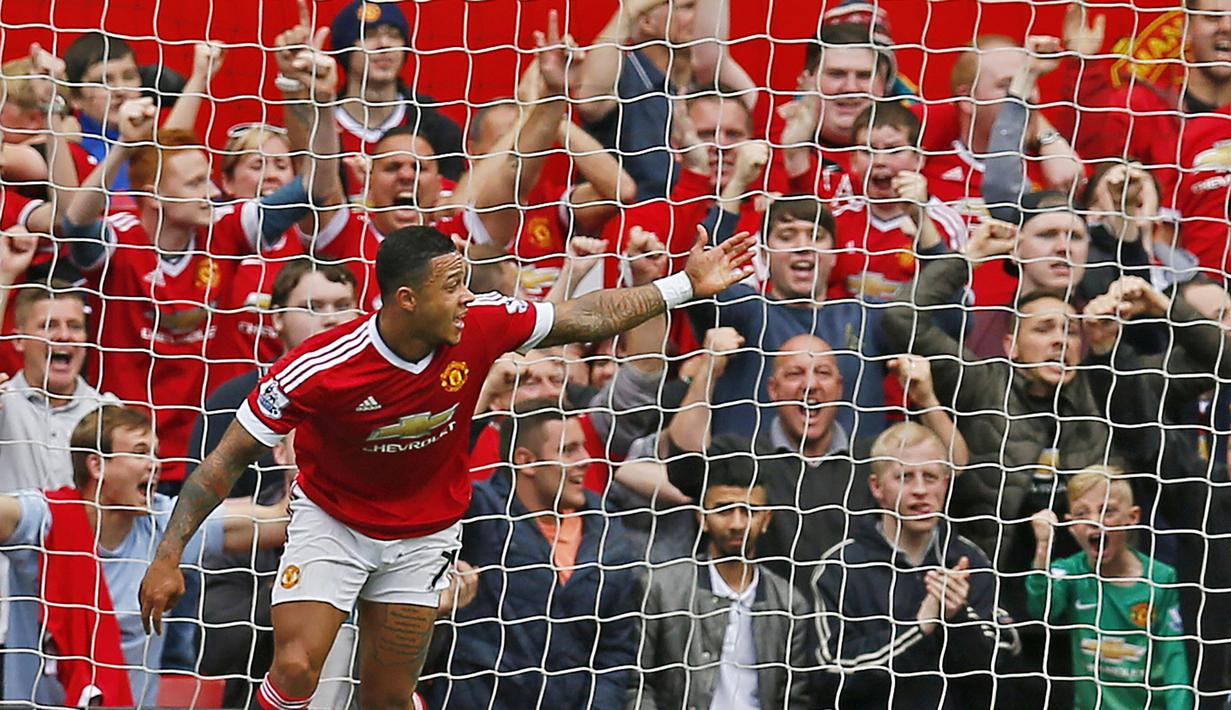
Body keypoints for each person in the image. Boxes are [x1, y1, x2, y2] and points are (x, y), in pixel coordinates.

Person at [136, 85, 757, 706]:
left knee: (388, 694)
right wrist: (168, 558)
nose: (467, 298)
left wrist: (683, 285)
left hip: (425, 532)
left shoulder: (483, 322)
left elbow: (586, 317)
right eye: (451, 288)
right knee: (297, 665)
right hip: (333, 522)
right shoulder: (321, 367)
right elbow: (222, 463)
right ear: (405, 300)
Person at [59, 31, 343, 485]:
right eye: (193, 184)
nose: (211, 191)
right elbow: (73, 225)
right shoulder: (120, 241)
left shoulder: (222, 232)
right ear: (153, 195)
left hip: (203, 455)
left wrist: (323, 102)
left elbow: (317, 186)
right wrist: (124, 150)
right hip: (124, 458)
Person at [0, 405, 287, 707]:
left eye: (156, 453)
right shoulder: (43, 520)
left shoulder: (167, 527)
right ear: (97, 466)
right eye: (140, 452)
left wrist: (299, 447)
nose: (155, 464)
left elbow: (277, 523)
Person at [188, 260, 358, 707]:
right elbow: (214, 648)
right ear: (277, 319)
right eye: (314, 305)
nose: (331, 316)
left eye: (344, 305)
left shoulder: (385, 397)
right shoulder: (233, 401)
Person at [424, 402, 640, 707]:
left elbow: (615, 651)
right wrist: (483, 399)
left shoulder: (609, 535)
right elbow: (438, 475)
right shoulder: (483, 515)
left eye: (583, 447)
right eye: (568, 450)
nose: (585, 460)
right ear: (526, 461)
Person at [813, 421, 1020, 709]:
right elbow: (829, 673)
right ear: (877, 487)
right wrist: (919, 628)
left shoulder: (970, 560)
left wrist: (957, 617)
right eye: (905, 477)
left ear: (946, 484)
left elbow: (1003, 665)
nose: (920, 490)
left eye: (931, 477)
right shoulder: (840, 567)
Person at [631, 454, 814, 709]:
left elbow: (794, 698)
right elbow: (637, 685)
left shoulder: (789, 604)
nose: (737, 523)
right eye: (724, 510)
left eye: (749, 510)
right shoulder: (660, 589)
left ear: (766, 520)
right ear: (702, 518)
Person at [1028, 469, 1194, 710]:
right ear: (1071, 525)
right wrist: (1043, 547)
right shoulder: (1070, 572)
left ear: (1133, 517)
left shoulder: (1161, 579)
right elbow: (1042, 611)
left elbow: (1175, 661)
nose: (1095, 521)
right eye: (1082, 513)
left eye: (1108, 511)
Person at [576, 0, 755, 200]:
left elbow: (714, 50)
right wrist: (628, 12)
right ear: (646, 22)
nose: (701, 16)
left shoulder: (707, 83)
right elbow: (589, 102)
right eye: (687, 7)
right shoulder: (623, 76)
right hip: (631, 222)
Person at [829, 101, 966, 303]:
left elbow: (954, 305)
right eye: (868, 151)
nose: (879, 160)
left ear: (919, 159)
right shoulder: (837, 220)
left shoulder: (946, 223)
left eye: (893, 150)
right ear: (853, 161)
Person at [324, 0, 466, 187]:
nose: (384, 44)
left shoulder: (439, 130)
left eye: (394, 35)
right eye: (368, 35)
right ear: (345, 50)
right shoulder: (321, 126)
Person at [0, 285, 117, 491]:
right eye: (48, 325)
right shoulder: (4, 403)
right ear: (18, 340)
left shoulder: (109, 412)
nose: (64, 335)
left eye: (75, 326)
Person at [770, 22, 893, 201]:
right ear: (807, 81)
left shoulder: (915, 138)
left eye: (864, 76)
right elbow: (715, 61)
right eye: (836, 74)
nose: (851, 88)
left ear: (883, 88)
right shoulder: (770, 134)